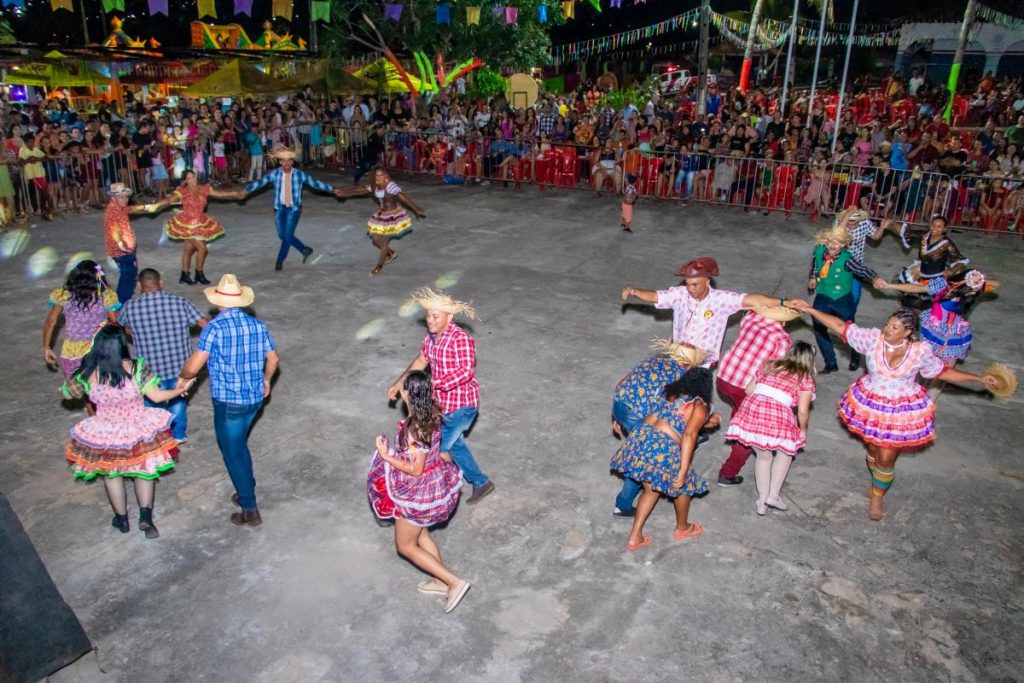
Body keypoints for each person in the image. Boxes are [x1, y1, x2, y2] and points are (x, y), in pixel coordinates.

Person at [788, 301, 1001, 521]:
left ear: (908, 332)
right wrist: (810, 310)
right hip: (871, 405)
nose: (888, 330)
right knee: (873, 450)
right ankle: (877, 480)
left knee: (887, 458)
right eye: (888, 324)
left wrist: (979, 379)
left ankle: (877, 497)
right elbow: (840, 326)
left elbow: (942, 372)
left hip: (900, 412)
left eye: (894, 327)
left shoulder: (919, 352)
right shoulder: (873, 340)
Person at [62, 325, 193, 538]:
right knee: (144, 471)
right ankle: (146, 517)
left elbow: (68, 393)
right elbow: (157, 396)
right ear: (122, 346)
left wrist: (85, 368)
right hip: (138, 428)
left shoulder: (88, 373)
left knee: (112, 474)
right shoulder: (136, 368)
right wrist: (181, 389)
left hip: (106, 432)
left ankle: (122, 520)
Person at [176, 274, 279, 527]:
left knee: (232, 453)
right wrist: (266, 380)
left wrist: (184, 376)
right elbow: (273, 359)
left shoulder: (214, 328)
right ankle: (246, 485)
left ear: (218, 301)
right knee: (239, 445)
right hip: (254, 398)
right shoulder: (257, 325)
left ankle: (250, 508)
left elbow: (194, 366)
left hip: (229, 402)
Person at [367, 371, 470, 614]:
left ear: (407, 394)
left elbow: (415, 469)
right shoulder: (433, 412)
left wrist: (386, 455)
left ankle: (454, 583)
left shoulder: (415, 428)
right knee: (421, 535)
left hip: (417, 491)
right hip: (435, 482)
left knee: (405, 546)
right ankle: (440, 581)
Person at [388, 288, 494, 506]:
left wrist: (435, 384)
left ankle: (445, 491)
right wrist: (400, 382)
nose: (430, 320)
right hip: (443, 404)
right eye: (428, 315)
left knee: (440, 447)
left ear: (449, 317)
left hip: (461, 406)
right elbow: (421, 361)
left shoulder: (460, 340)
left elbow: (466, 371)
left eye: (435, 316)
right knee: (454, 445)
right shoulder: (431, 338)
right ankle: (480, 482)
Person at [609, 368, 715, 551]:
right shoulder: (700, 406)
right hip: (661, 448)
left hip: (640, 439)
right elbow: (689, 435)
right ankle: (683, 528)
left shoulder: (670, 391)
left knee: (650, 490)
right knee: (683, 486)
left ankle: (635, 537)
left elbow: (671, 418)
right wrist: (683, 470)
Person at [621, 256, 785, 366]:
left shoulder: (721, 300)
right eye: (687, 284)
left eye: (695, 285)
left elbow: (753, 299)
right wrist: (635, 291)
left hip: (703, 362)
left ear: (707, 282)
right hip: (679, 356)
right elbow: (655, 296)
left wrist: (783, 302)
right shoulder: (679, 294)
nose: (690, 289)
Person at [610, 339, 713, 516]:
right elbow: (673, 410)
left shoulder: (650, 361)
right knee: (644, 459)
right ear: (690, 365)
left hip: (620, 404)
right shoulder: (680, 377)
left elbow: (620, 386)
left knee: (641, 452)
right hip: (637, 414)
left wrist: (618, 416)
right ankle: (623, 505)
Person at [723, 341, 816, 516]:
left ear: (789, 351)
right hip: (777, 413)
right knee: (786, 452)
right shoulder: (805, 378)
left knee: (763, 457)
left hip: (752, 411)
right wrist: (803, 429)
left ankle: (762, 501)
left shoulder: (770, 364)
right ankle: (773, 496)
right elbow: (803, 411)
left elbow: (748, 390)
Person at [118, 269, 208, 444]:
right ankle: (178, 435)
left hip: (149, 370)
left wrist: (133, 331)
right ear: (161, 282)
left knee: (152, 404)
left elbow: (122, 325)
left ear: (139, 285)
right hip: (179, 367)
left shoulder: (129, 307)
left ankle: (156, 437)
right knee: (178, 400)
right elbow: (204, 324)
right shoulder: (180, 302)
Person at [714, 305, 796, 486]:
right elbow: (773, 371)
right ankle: (727, 474)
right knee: (749, 432)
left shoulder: (750, 318)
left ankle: (736, 427)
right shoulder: (782, 339)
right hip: (744, 386)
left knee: (739, 408)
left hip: (724, 377)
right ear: (784, 321)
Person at [241, 147, 345, 271]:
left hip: (293, 209)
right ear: (280, 162)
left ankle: (279, 260)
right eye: (284, 161)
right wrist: (246, 190)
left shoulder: (299, 174)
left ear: (292, 162)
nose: (286, 163)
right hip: (279, 208)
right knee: (283, 235)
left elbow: (315, 183)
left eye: (289, 160)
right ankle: (304, 249)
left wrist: (333, 189)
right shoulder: (275, 174)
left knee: (287, 236)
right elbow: (260, 182)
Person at [806, 225, 887, 373]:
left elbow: (862, 270)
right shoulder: (818, 250)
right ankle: (830, 363)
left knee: (850, 330)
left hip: (842, 299)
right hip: (823, 295)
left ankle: (855, 356)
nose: (833, 245)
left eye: (838, 242)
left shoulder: (846, 260)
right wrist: (812, 277)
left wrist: (874, 278)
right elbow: (815, 264)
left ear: (844, 245)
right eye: (831, 241)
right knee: (819, 327)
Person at [339, 167, 426, 276]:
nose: (380, 177)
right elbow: (359, 189)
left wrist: (415, 208)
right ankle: (391, 253)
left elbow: (402, 196)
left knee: (384, 242)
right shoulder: (374, 185)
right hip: (382, 215)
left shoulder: (390, 185)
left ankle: (379, 266)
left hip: (393, 217)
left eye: (382, 175)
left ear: (385, 175)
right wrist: (344, 192)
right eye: (377, 175)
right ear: (374, 177)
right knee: (375, 240)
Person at [43, 259, 120, 380]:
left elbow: (51, 321)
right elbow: (115, 321)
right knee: (99, 387)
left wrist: (47, 348)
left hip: (71, 353)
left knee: (77, 387)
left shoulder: (64, 296)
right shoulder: (106, 297)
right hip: (98, 350)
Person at [164, 170, 238, 285]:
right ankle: (199, 274)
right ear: (185, 181)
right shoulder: (182, 191)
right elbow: (169, 200)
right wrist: (155, 205)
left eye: (193, 177)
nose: (193, 180)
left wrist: (235, 193)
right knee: (203, 249)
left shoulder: (204, 189)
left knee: (188, 249)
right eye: (189, 178)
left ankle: (184, 275)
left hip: (199, 222)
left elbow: (220, 194)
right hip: (187, 224)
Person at [104, 183, 160, 303]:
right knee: (128, 277)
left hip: (126, 250)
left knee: (128, 275)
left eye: (126, 197)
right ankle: (122, 303)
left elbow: (130, 209)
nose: (125, 200)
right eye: (121, 197)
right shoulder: (112, 212)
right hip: (122, 252)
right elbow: (113, 229)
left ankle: (122, 301)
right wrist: (120, 243)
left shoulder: (119, 207)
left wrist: (145, 207)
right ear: (113, 198)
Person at [895, 214, 969, 286]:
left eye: (939, 227)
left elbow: (961, 261)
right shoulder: (924, 236)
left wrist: (952, 271)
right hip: (921, 271)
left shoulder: (947, 243)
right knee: (904, 284)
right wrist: (892, 224)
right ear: (930, 225)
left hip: (937, 277)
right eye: (933, 225)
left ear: (944, 229)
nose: (934, 229)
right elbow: (906, 233)